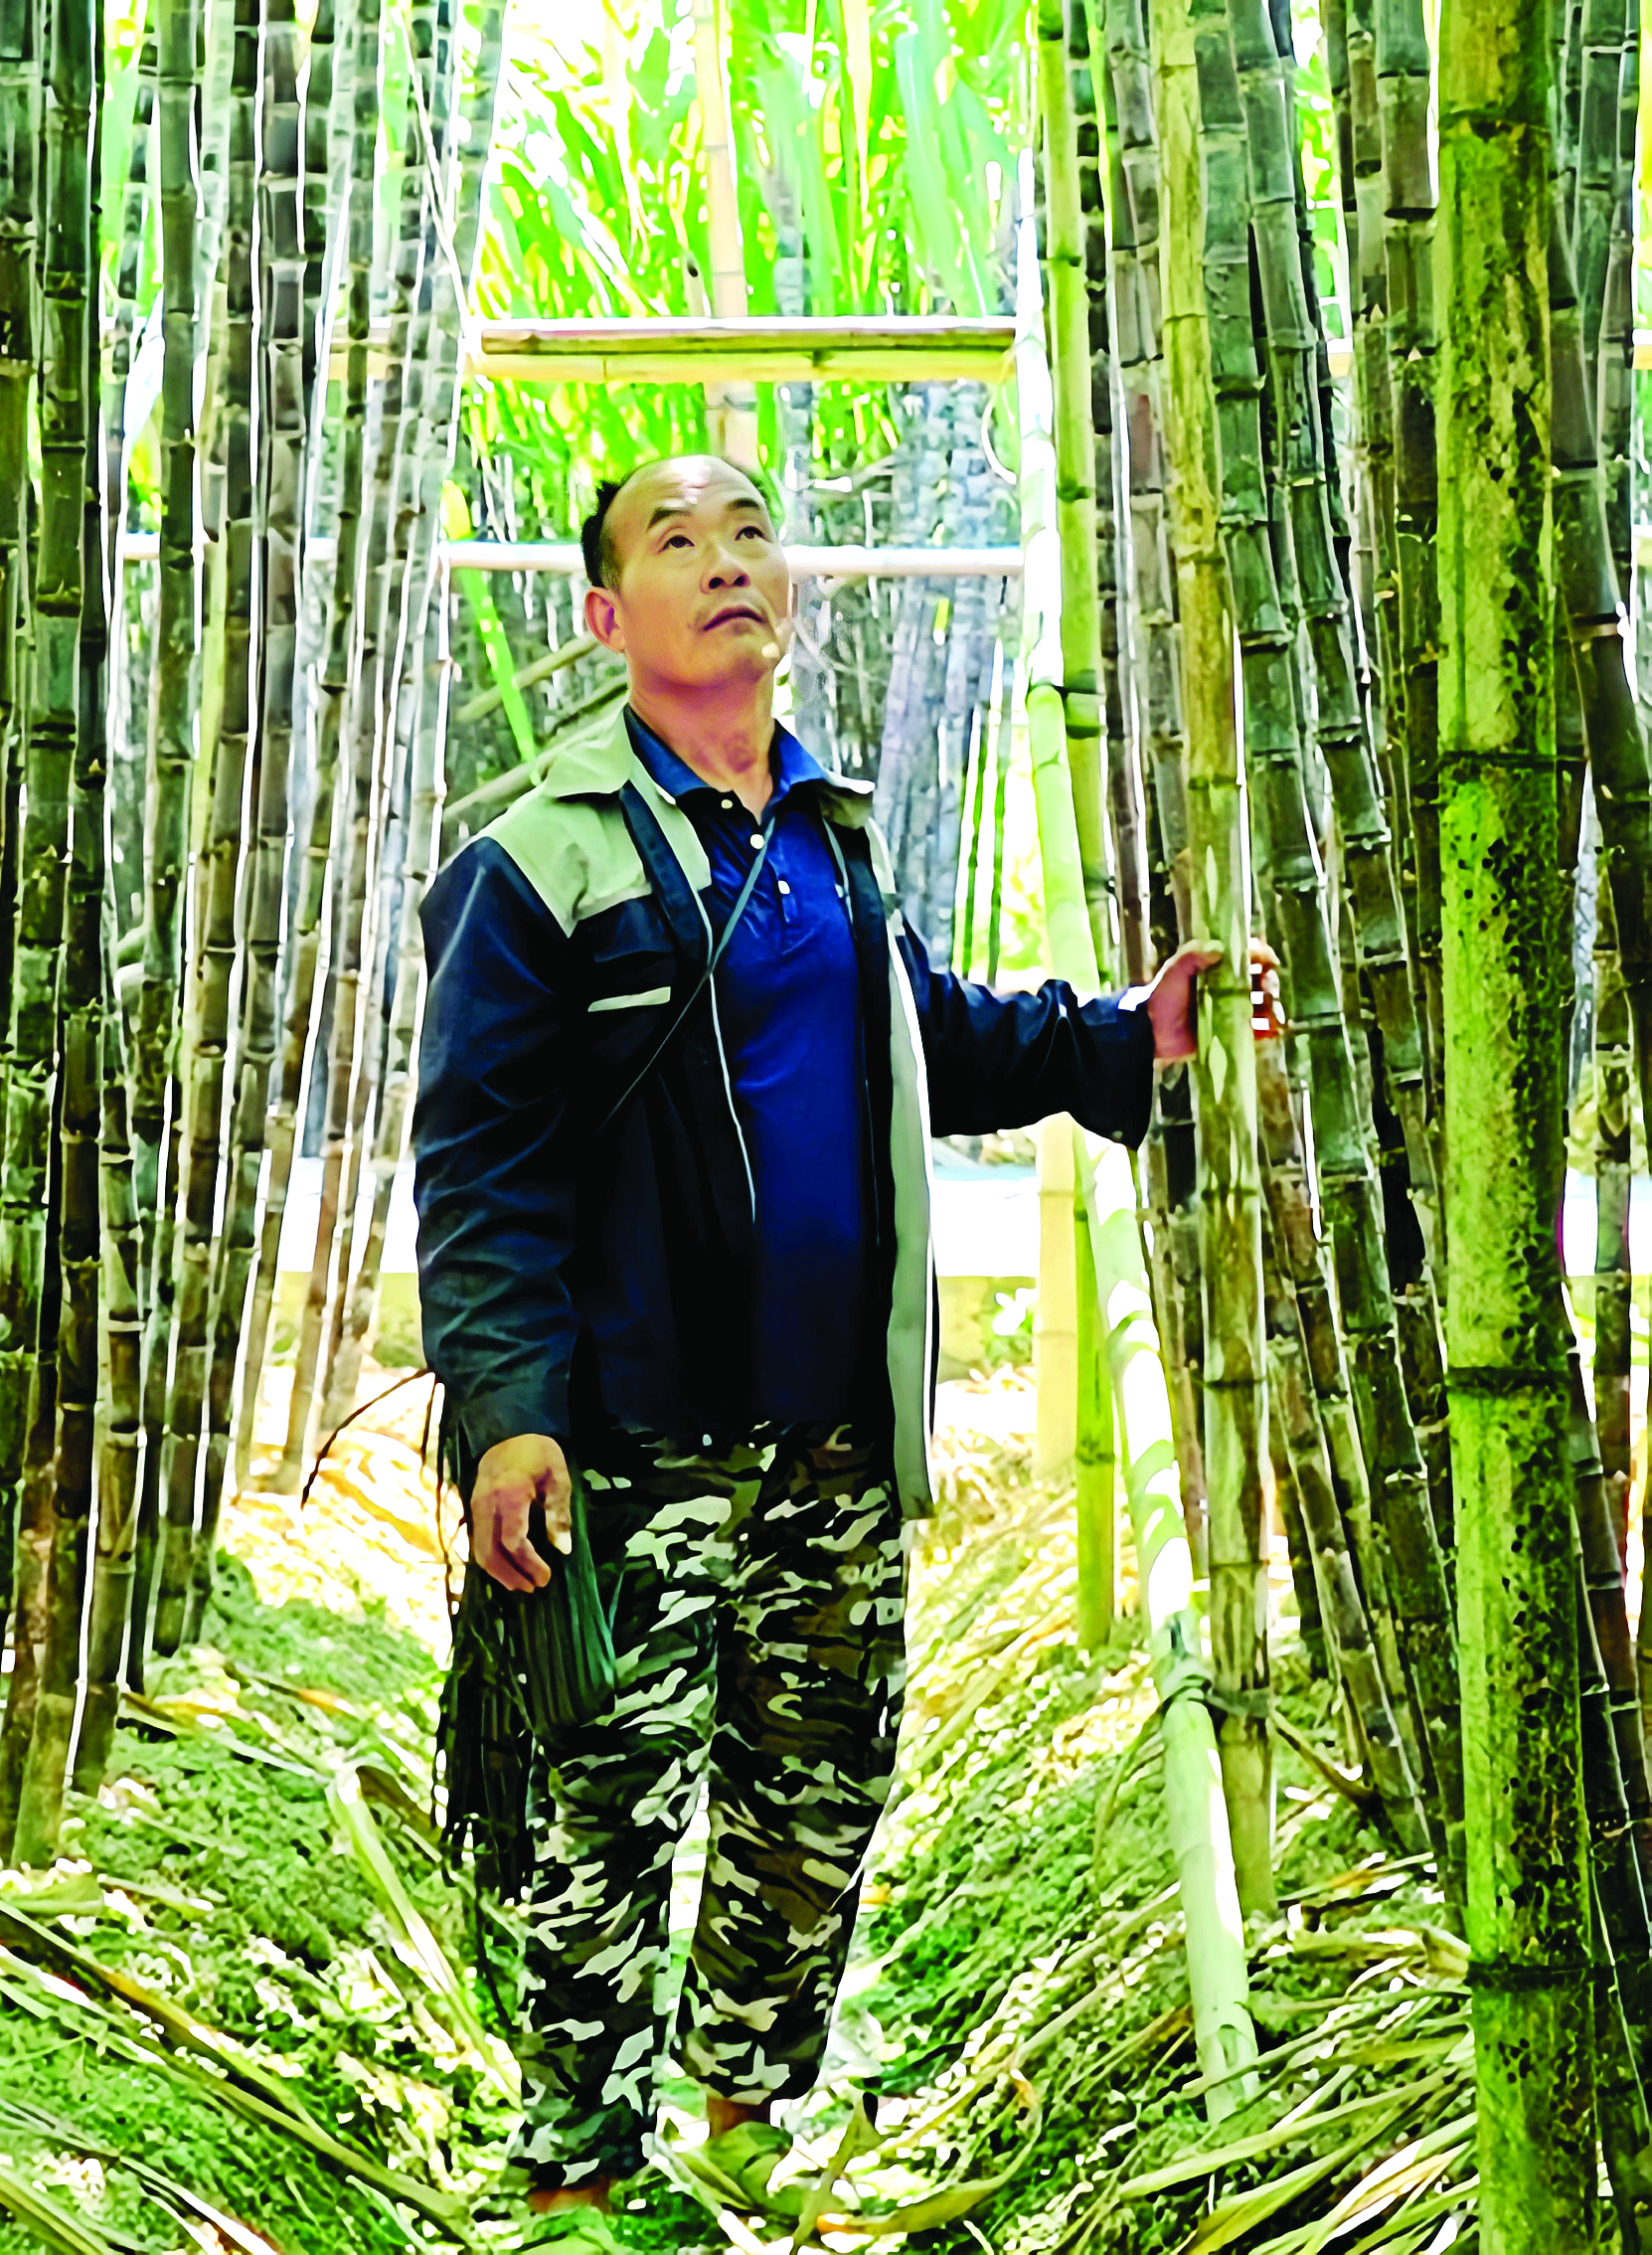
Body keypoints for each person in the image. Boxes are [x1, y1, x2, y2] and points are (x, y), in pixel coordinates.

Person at [412, 454, 1281, 2247]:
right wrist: (509, 1416)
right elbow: (479, 1164)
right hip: (634, 1445)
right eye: (676, 542)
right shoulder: (539, 864)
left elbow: (927, 1041)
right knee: (604, 1828)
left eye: (749, 533)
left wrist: (1125, 1034)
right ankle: (577, 2173)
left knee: (815, 1797)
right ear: (606, 619)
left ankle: (742, 2132)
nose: (726, 562)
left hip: (830, 1433)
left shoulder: (829, 840)